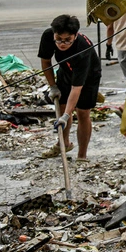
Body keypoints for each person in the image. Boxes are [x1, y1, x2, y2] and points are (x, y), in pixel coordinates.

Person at [38, 15, 102, 160]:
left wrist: (67, 116)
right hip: (65, 71)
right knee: (61, 106)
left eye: (68, 40)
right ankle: (64, 143)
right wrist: (53, 86)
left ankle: (82, 155)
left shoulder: (83, 49)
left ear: (75, 35)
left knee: (82, 113)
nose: (62, 44)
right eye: (59, 39)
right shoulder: (48, 36)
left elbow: (76, 88)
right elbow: (46, 62)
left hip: (88, 77)